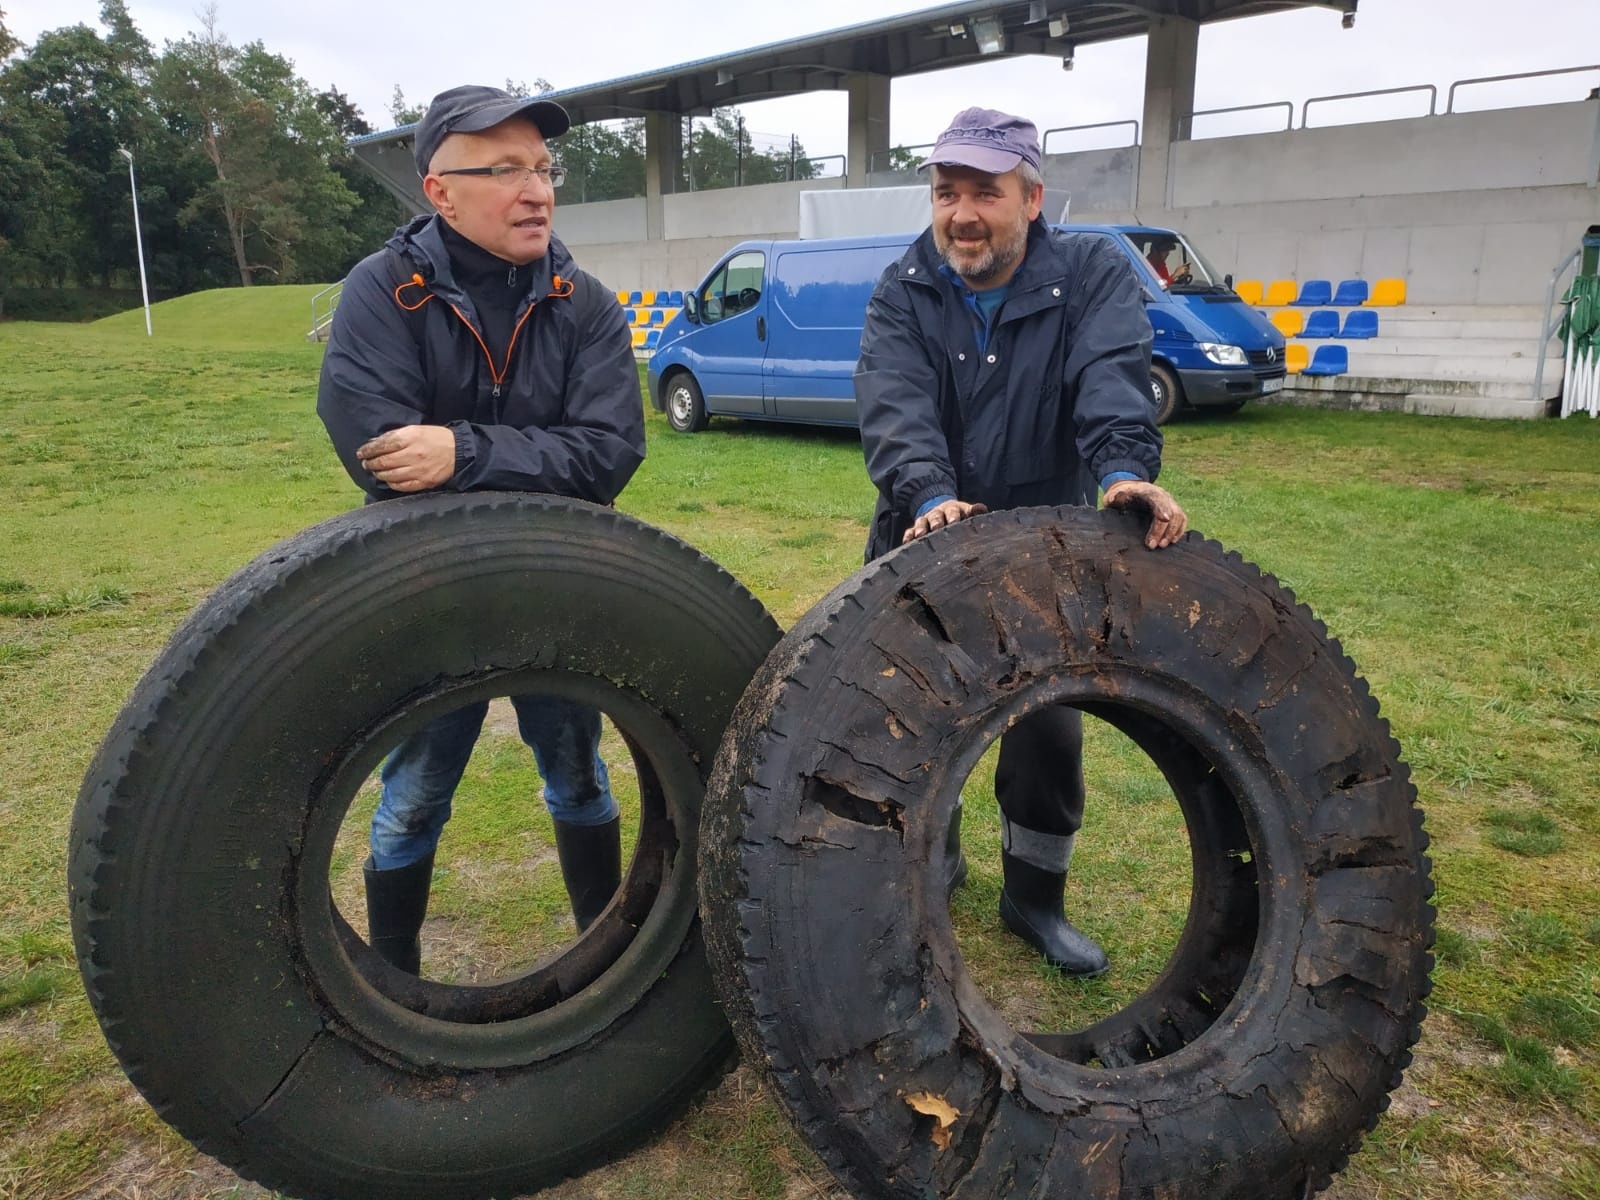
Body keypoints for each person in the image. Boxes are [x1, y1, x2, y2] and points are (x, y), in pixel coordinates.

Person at [316, 85, 645, 974]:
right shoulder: (382, 293)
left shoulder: (588, 306)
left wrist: (459, 450)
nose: (535, 190)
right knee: (415, 795)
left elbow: (609, 454)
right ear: (439, 191)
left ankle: (601, 957)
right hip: (430, 596)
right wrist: (530, 455)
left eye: (543, 168)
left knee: (578, 776)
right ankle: (396, 984)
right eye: (503, 169)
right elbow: (380, 452)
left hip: (557, 589)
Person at [853, 107, 1188, 978]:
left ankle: (1033, 900)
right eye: (947, 191)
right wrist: (929, 494)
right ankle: (930, 868)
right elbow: (894, 405)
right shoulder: (904, 287)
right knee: (906, 723)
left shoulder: (1091, 274)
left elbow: (1112, 375)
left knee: (1047, 735)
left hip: (1046, 542)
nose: (962, 212)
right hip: (922, 537)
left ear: (1032, 198)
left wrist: (1122, 469)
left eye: (985, 193)